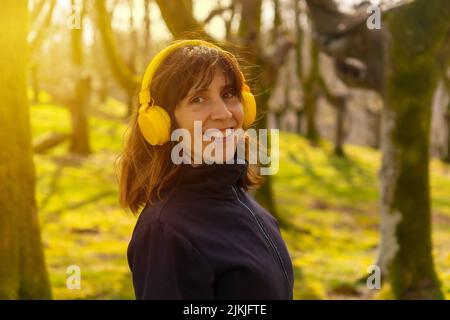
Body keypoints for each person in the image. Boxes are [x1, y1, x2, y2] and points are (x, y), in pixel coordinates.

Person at [118, 39, 294, 299]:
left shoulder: (239, 197)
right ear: (162, 123)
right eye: (198, 98)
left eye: (228, 94)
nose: (223, 113)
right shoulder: (167, 232)